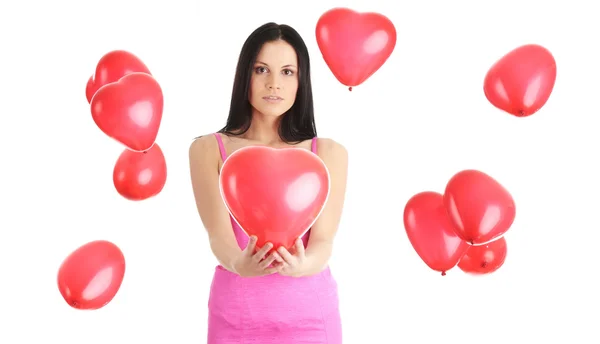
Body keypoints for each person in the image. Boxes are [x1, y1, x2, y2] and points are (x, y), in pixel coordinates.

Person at [188, 22, 348, 344]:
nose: (274, 83)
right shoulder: (208, 150)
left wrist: (302, 266)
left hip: (310, 317)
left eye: (288, 72)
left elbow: (323, 242)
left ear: (302, 81)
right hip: (236, 315)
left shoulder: (329, 154)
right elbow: (219, 236)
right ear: (245, 74)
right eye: (262, 69)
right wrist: (239, 263)